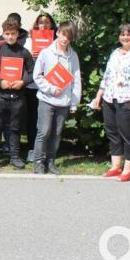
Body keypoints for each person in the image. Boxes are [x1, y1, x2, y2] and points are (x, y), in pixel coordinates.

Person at [91, 23, 130, 182]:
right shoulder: (114, 53)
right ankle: (115, 166)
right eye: (122, 34)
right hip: (109, 99)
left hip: (128, 100)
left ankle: (128, 169)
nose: (125, 37)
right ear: (119, 37)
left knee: (128, 135)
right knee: (112, 133)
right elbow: (107, 76)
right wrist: (99, 95)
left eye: (128, 34)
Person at [0, 17, 34, 170]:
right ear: (3, 34)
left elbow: (33, 72)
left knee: (15, 128)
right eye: (7, 34)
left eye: (13, 33)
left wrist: (23, 82)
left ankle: (15, 157)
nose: (10, 36)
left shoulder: (24, 52)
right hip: (0, 95)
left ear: (17, 34)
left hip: (18, 97)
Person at [31, 21, 81, 175]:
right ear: (58, 32)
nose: (65, 39)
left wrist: (74, 103)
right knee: (44, 131)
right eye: (63, 34)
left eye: (69, 36)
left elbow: (76, 80)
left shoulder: (73, 56)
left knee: (57, 134)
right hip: (46, 100)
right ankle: (38, 162)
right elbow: (37, 76)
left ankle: (50, 161)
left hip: (64, 102)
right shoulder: (45, 53)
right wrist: (51, 89)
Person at [26, 12, 57, 161]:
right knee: (33, 118)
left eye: (47, 22)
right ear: (36, 24)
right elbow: (23, 63)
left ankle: (47, 150)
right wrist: (32, 55)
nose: (43, 25)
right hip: (32, 86)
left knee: (49, 120)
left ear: (52, 25)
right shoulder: (29, 41)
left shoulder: (57, 42)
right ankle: (33, 149)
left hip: (51, 85)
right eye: (40, 22)